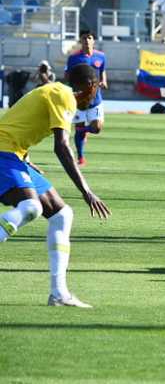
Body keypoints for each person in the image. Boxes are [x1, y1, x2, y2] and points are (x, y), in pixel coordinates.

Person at [0, 64, 111, 308]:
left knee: (61, 214)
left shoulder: (56, 92)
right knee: (31, 207)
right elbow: (62, 146)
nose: (94, 98)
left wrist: (27, 160)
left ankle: (59, 293)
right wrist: (86, 191)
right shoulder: (64, 96)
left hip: (14, 155)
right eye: (96, 92)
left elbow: (19, 123)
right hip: (3, 153)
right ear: (90, 87)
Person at [65, 31, 108, 167]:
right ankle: (81, 158)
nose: (87, 40)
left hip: (96, 99)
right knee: (79, 125)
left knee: (97, 128)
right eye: (84, 38)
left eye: (89, 38)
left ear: (93, 40)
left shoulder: (101, 56)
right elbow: (67, 76)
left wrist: (103, 81)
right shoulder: (73, 58)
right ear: (80, 41)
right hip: (79, 99)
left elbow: (102, 71)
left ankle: (83, 131)